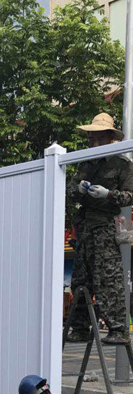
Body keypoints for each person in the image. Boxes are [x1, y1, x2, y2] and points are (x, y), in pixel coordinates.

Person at [67, 113, 133, 345]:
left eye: (99, 138)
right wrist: (79, 190)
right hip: (85, 228)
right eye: (91, 139)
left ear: (110, 139)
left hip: (105, 228)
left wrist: (109, 194)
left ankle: (118, 329)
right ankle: (80, 328)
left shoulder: (122, 165)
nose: (94, 143)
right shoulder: (85, 164)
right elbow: (70, 190)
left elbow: (129, 196)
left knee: (109, 279)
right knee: (80, 280)